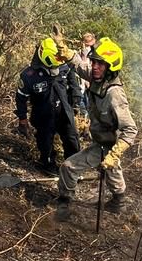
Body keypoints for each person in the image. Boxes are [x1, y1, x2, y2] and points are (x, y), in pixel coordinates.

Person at [58, 36, 137, 212]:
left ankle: (64, 204)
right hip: (102, 141)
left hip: (108, 144)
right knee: (111, 170)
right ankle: (119, 201)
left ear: (110, 67)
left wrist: (114, 154)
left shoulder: (114, 94)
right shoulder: (97, 78)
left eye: (100, 64)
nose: (95, 67)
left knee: (68, 167)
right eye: (94, 62)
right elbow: (80, 66)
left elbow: (130, 130)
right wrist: (65, 50)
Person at [15, 36, 83, 175]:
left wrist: (76, 100)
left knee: (72, 140)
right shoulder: (29, 76)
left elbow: (73, 81)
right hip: (43, 114)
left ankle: (73, 167)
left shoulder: (65, 65)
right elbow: (21, 98)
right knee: (45, 143)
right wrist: (23, 119)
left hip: (64, 110)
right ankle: (48, 165)